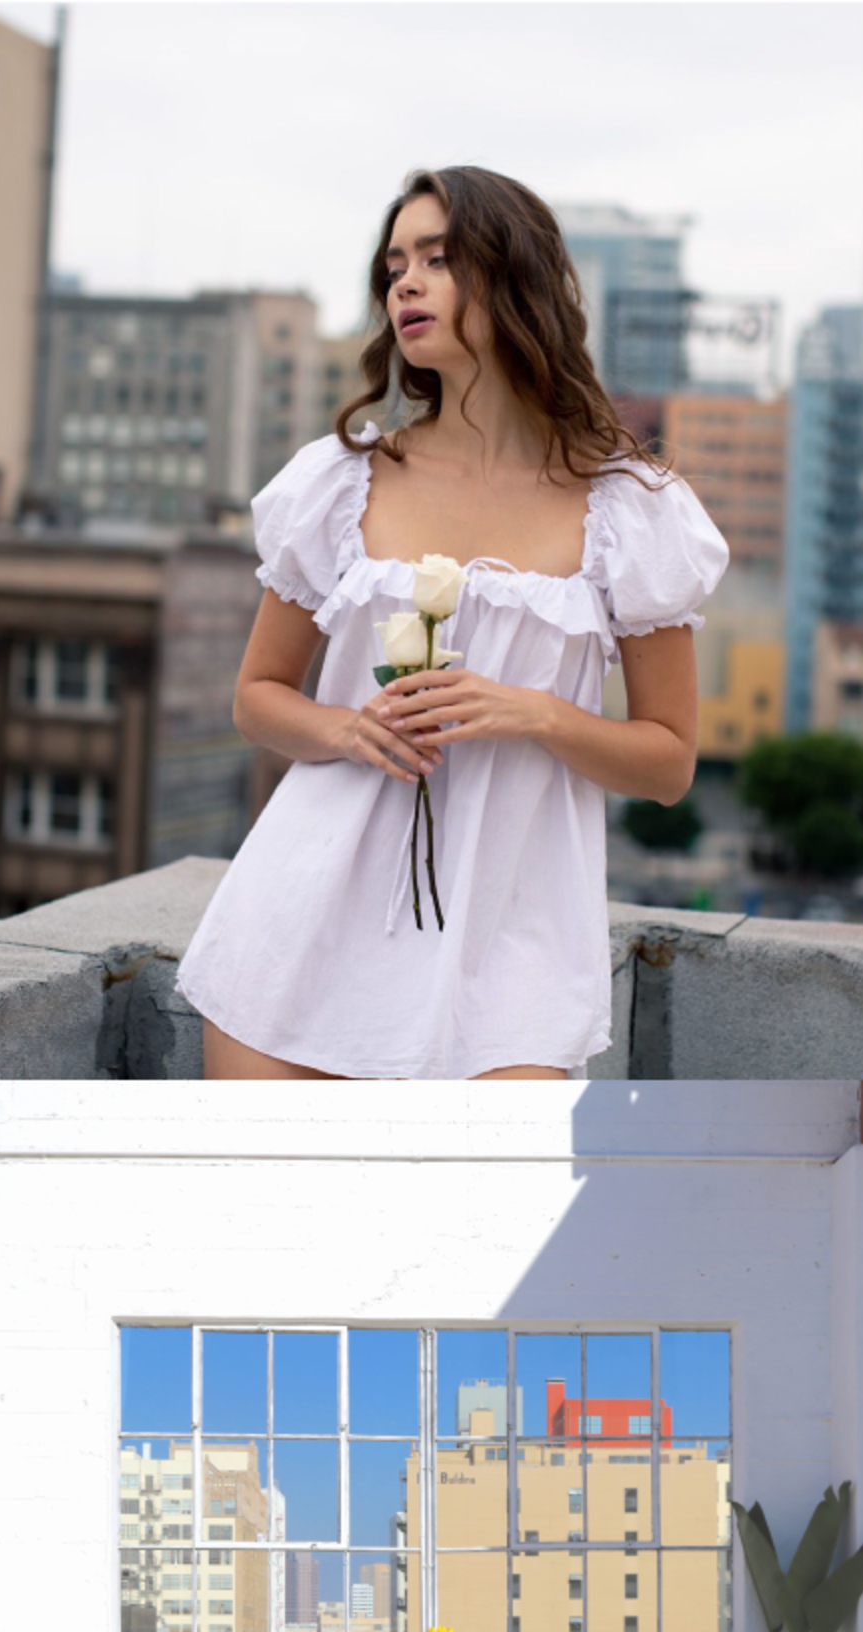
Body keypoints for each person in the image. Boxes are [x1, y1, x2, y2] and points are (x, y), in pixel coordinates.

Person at [175, 165, 730, 1078]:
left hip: (514, 945)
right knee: (278, 1220)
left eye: (438, 257)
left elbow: (669, 763)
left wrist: (531, 711)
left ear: (515, 278)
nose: (405, 281)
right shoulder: (342, 479)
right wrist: (349, 728)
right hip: (299, 928)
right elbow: (258, 699)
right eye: (395, 263)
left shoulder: (631, 509)